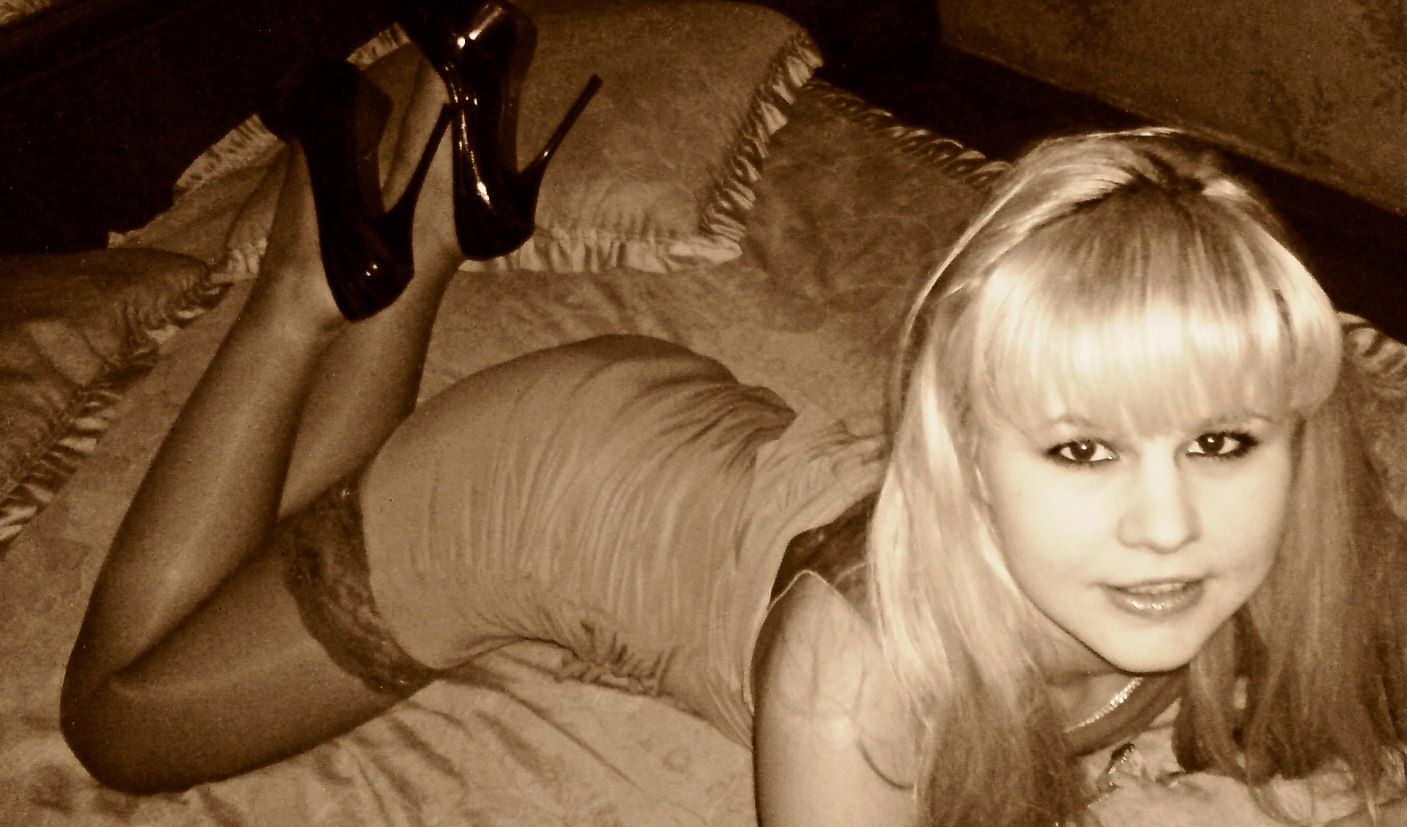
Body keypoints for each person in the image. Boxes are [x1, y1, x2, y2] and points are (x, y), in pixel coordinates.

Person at [58, 2, 1405, 824]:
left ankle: (422, 231)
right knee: (122, 728)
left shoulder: (1313, 543)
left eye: (1220, 440)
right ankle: (308, 284)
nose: (1169, 526)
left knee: (294, 542)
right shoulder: (853, 677)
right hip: (536, 492)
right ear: (961, 457)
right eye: (1082, 447)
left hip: (683, 440)